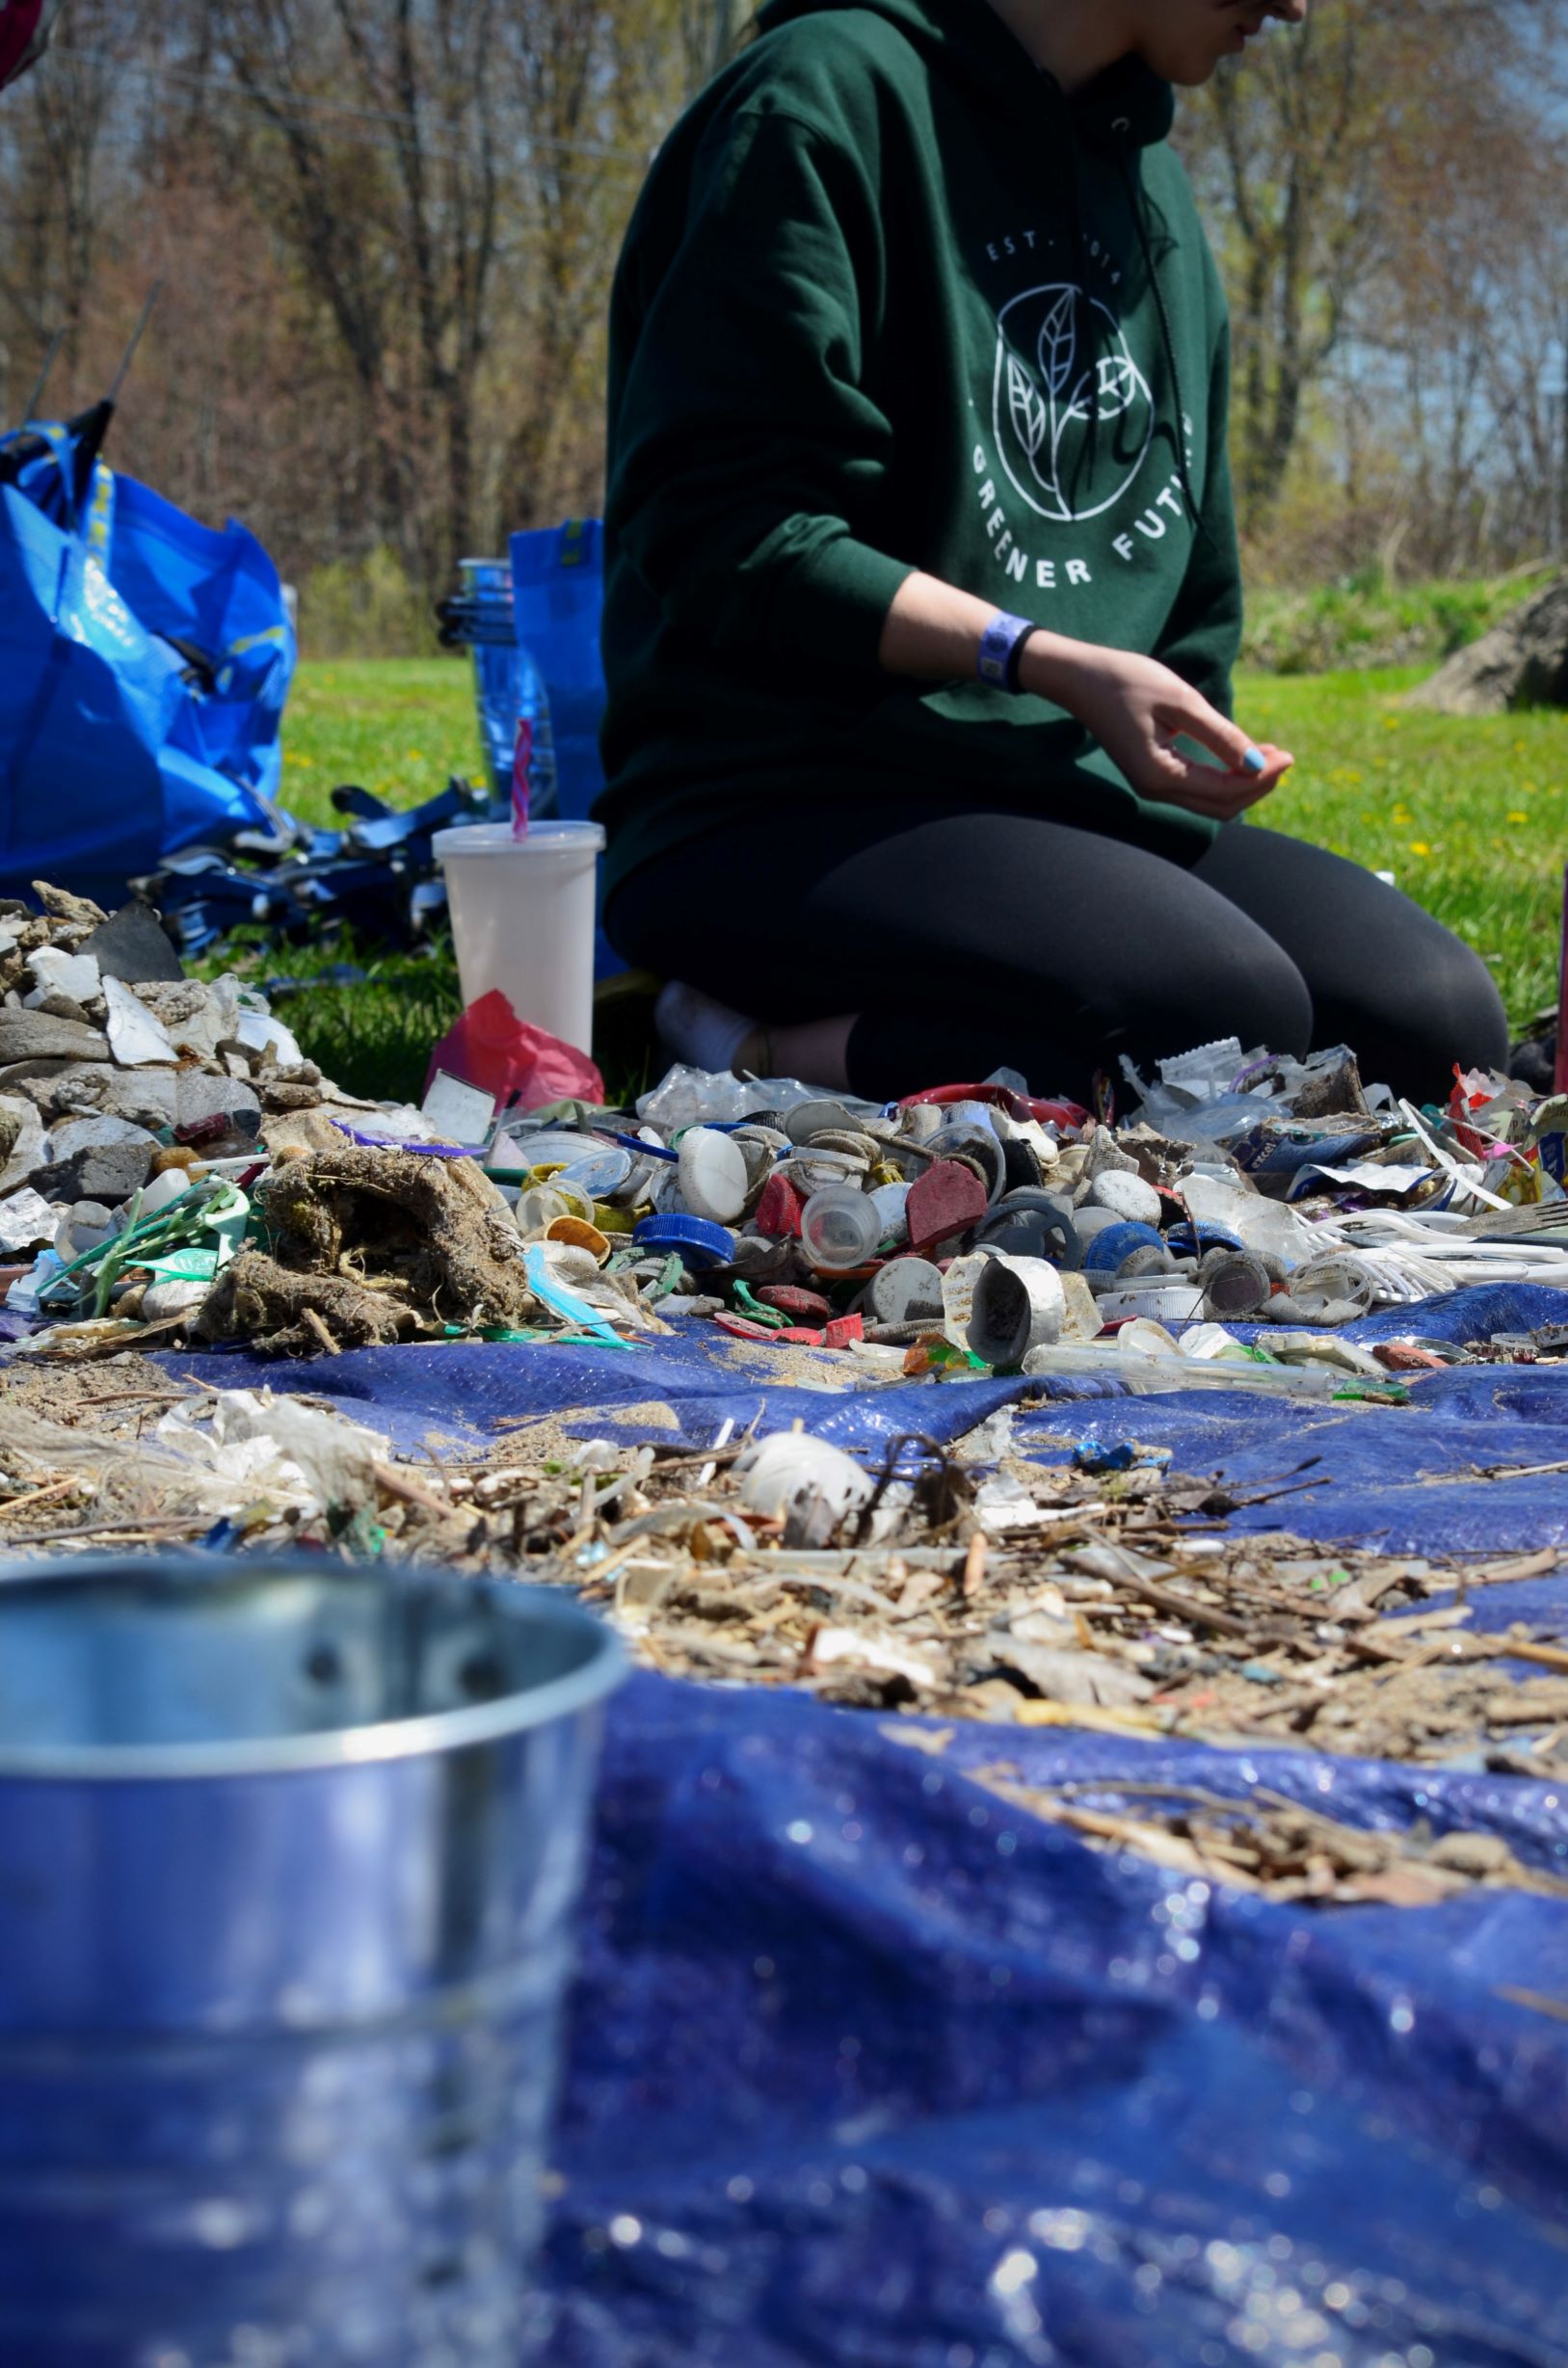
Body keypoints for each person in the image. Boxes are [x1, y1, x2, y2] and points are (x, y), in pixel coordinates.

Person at [596, 0, 1508, 1106]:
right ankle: (725, 1041)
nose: (1296, 6)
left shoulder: (1150, 184)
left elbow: (1189, 579)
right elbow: (724, 533)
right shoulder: (819, 96)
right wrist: (1039, 659)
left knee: (1433, 1026)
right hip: (785, 796)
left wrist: (1185, 741)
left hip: (1054, 804)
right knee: (1206, 1023)